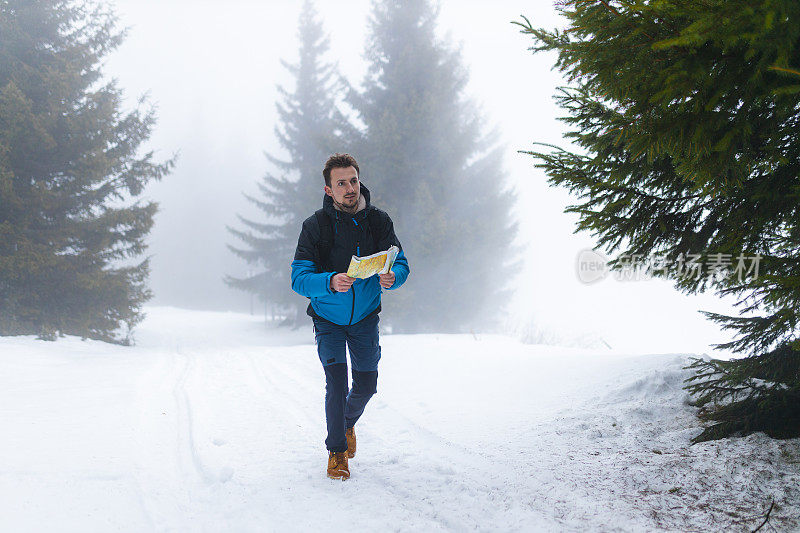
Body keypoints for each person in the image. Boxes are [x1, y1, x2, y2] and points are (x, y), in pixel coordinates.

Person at [290, 153, 410, 480]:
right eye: (341, 183)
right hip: (328, 318)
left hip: (366, 316)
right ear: (329, 189)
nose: (349, 188)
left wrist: (393, 276)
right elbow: (298, 277)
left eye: (353, 180)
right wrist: (328, 281)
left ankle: (345, 425)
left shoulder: (379, 221)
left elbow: (399, 261)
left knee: (367, 385)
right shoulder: (315, 226)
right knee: (336, 384)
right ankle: (337, 451)